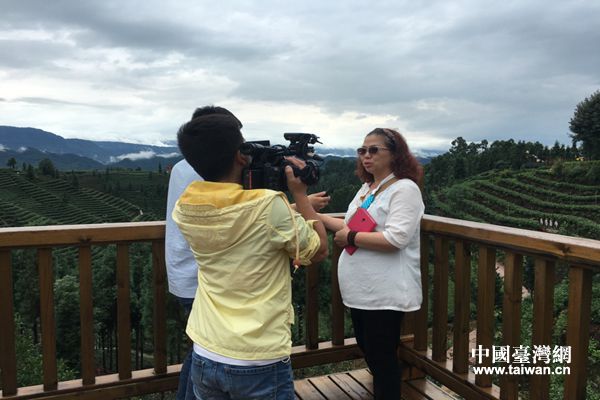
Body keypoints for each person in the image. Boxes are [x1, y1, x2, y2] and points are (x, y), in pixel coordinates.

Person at [172, 113, 328, 399]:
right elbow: (319, 250)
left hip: (206, 348)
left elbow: (239, 214)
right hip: (257, 355)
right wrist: (300, 195)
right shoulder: (268, 206)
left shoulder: (185, 206)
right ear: (240, 156)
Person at [318, 128, 424, 399]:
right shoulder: (367, 188)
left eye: (374, 150)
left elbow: (396, 238)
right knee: (371, 351)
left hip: (385, 292)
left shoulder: (405, 189)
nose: (366, 155)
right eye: (362, 150)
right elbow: (349, 225)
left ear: (395, 154)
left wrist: (350, 237)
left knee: (381, 357)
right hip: (362, 291)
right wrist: (313, 215)